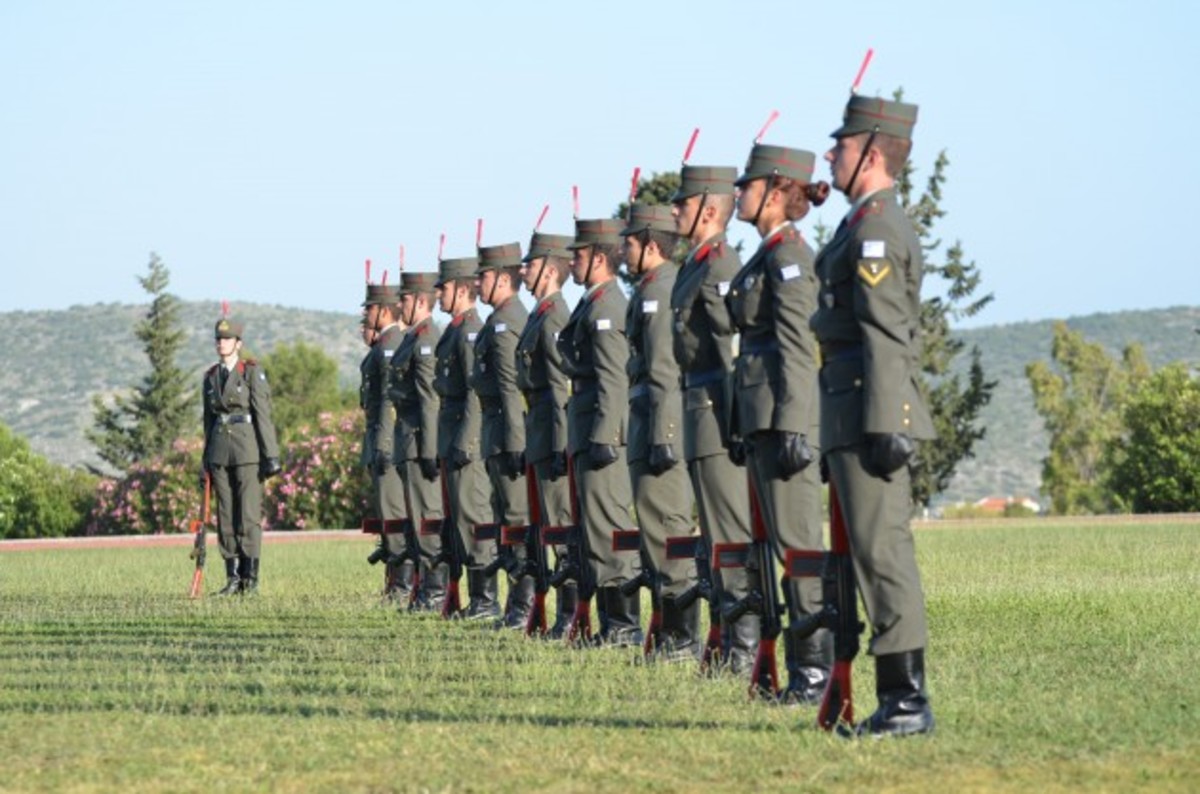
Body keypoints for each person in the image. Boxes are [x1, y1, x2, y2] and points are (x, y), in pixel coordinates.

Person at [811, 93, 936, 737]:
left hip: (868, 406)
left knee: (882, 554)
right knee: (866, 552)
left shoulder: (877, 226)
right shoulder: (858, 220)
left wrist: (889, 418)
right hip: (851, 404)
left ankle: (907, 702)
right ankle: (896, 698)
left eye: (841, 144)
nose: (830, 154)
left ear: (872, 150)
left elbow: (886, 331)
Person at [730, 142, 831, 702]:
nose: (737, 195)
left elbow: (797, 346)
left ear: (776, 191)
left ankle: (815, 676)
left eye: (747, 186)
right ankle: (798, 671)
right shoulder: (766, 253)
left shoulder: (789, 255)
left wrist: (795, 425)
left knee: (799, 552)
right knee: (779, 553)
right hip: (761, 418)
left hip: (783, 420)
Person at [669, 164, 756, 673]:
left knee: (729, 536)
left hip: (719, 415)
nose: (675, 210)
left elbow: (729, 349)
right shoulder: (696, 264)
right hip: (700, 412)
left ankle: (744, 649)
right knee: (714, 539)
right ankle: (727, 642)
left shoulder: (721, 265)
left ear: (707, 208)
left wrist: (735, 422)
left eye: (683, 203)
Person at [620, 202, 699, 661]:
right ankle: (671, 633)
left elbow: (666, 370)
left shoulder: (663, 288)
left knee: (669, 531)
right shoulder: (649, 288)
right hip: (645, 421)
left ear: (650, 245)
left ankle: (683, 636)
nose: (622, 250)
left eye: (628, 243)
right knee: (654, 531)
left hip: (658, 425)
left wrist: (666, 433)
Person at [558, 217, 640, 646]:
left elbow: (613, 378)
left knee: (609, 527)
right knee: (594, 528)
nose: (571, 262)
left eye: (579, 255)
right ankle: (613, 623)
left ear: (600, 258)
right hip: (587, 421)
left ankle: (624, 626)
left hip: (601, 427)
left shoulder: (607, 306)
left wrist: (607, 434)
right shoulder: (592, 302)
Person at [515, 229, 577, 638]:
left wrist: (557, 443)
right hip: (537, 428)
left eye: (531, 264)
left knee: (561, 526)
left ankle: (572, 613)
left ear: (550, 270)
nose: (523, 270)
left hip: (550, 430)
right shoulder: (540, 312)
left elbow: (558, 385)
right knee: (549, 526)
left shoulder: (554, 315)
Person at [471, 241, 532, 628]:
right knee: (505, 519)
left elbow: (511, 388)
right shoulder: (498, 319)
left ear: (504, 278)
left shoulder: (508, 321)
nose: (478, 283)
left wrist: (514, 442)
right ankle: (516, 602)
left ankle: (524, 604)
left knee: (516, 519)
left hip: (506, 432)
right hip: (494, 430)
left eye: (485, 276)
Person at [201, 314, 281, 595]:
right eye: (219, 339)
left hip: (248, 451)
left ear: (238, 343)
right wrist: (205, 460)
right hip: (220, 452)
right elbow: (208, 422)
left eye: (227, 339)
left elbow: (262, 415)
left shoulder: (250, 372)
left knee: (247, 515)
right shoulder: (211, 377)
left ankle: (250, 578)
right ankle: (232, 577)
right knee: (225, 515)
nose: (222, 343)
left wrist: (270, 454)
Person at [433, 254, 494, 619]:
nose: (439, 294)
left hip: (463, 437)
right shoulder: (455, 329)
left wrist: (466, 441)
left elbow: (474, 390)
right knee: (459, 519)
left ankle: (486, 599)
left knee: (473, 517)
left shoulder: (470, 330)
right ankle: (476, 597)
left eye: (444, 288)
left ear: (462, 289)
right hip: (451, 431)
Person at [388, 270, 447, 611]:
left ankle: (435, 590)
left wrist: (429, 449)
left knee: (427, 518)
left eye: (405, 299)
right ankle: (427, 586)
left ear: (421, 301)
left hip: (419, 440)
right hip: (408, 439)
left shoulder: (426, 338)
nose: (400, 305)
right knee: (416, 519)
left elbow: (428, 398)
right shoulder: (414, 337)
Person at [362, 281, 411, 601]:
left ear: (385, 310)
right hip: (379, 438)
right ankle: (397, 582)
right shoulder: (384, 345)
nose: (367, 314)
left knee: (394, 512)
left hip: (388, 441)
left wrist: (383, 445)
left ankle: (403, 584)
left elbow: (389, 404)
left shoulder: (391, 344)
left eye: (370, 308)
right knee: (387, 511)